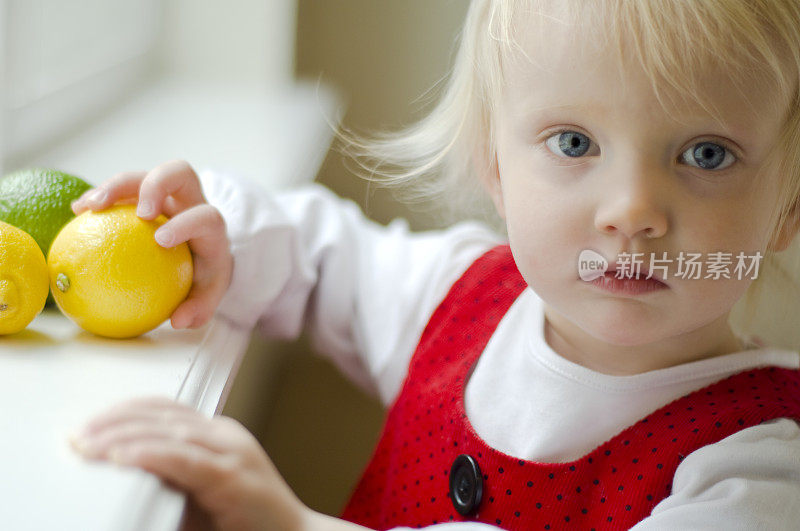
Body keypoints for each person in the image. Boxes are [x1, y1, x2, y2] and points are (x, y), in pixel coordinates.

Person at [68, 0, 800, 529]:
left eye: (707, 154)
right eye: (574, 143)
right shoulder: (459, 297)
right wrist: (223, 237)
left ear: (788, 207)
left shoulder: (760, 467)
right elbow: (323, 258)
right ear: (494, 165)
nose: (633, 209)